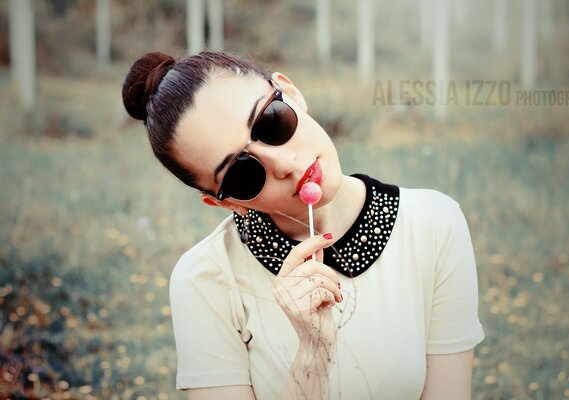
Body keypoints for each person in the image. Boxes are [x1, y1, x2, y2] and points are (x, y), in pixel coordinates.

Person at [122, 51, 485, 400]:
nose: (283, 163)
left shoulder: (433, 225)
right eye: (242, 173)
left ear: (291, 91)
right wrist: (312, 353)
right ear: (226, 202)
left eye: (272, 121)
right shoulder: (204, 279)